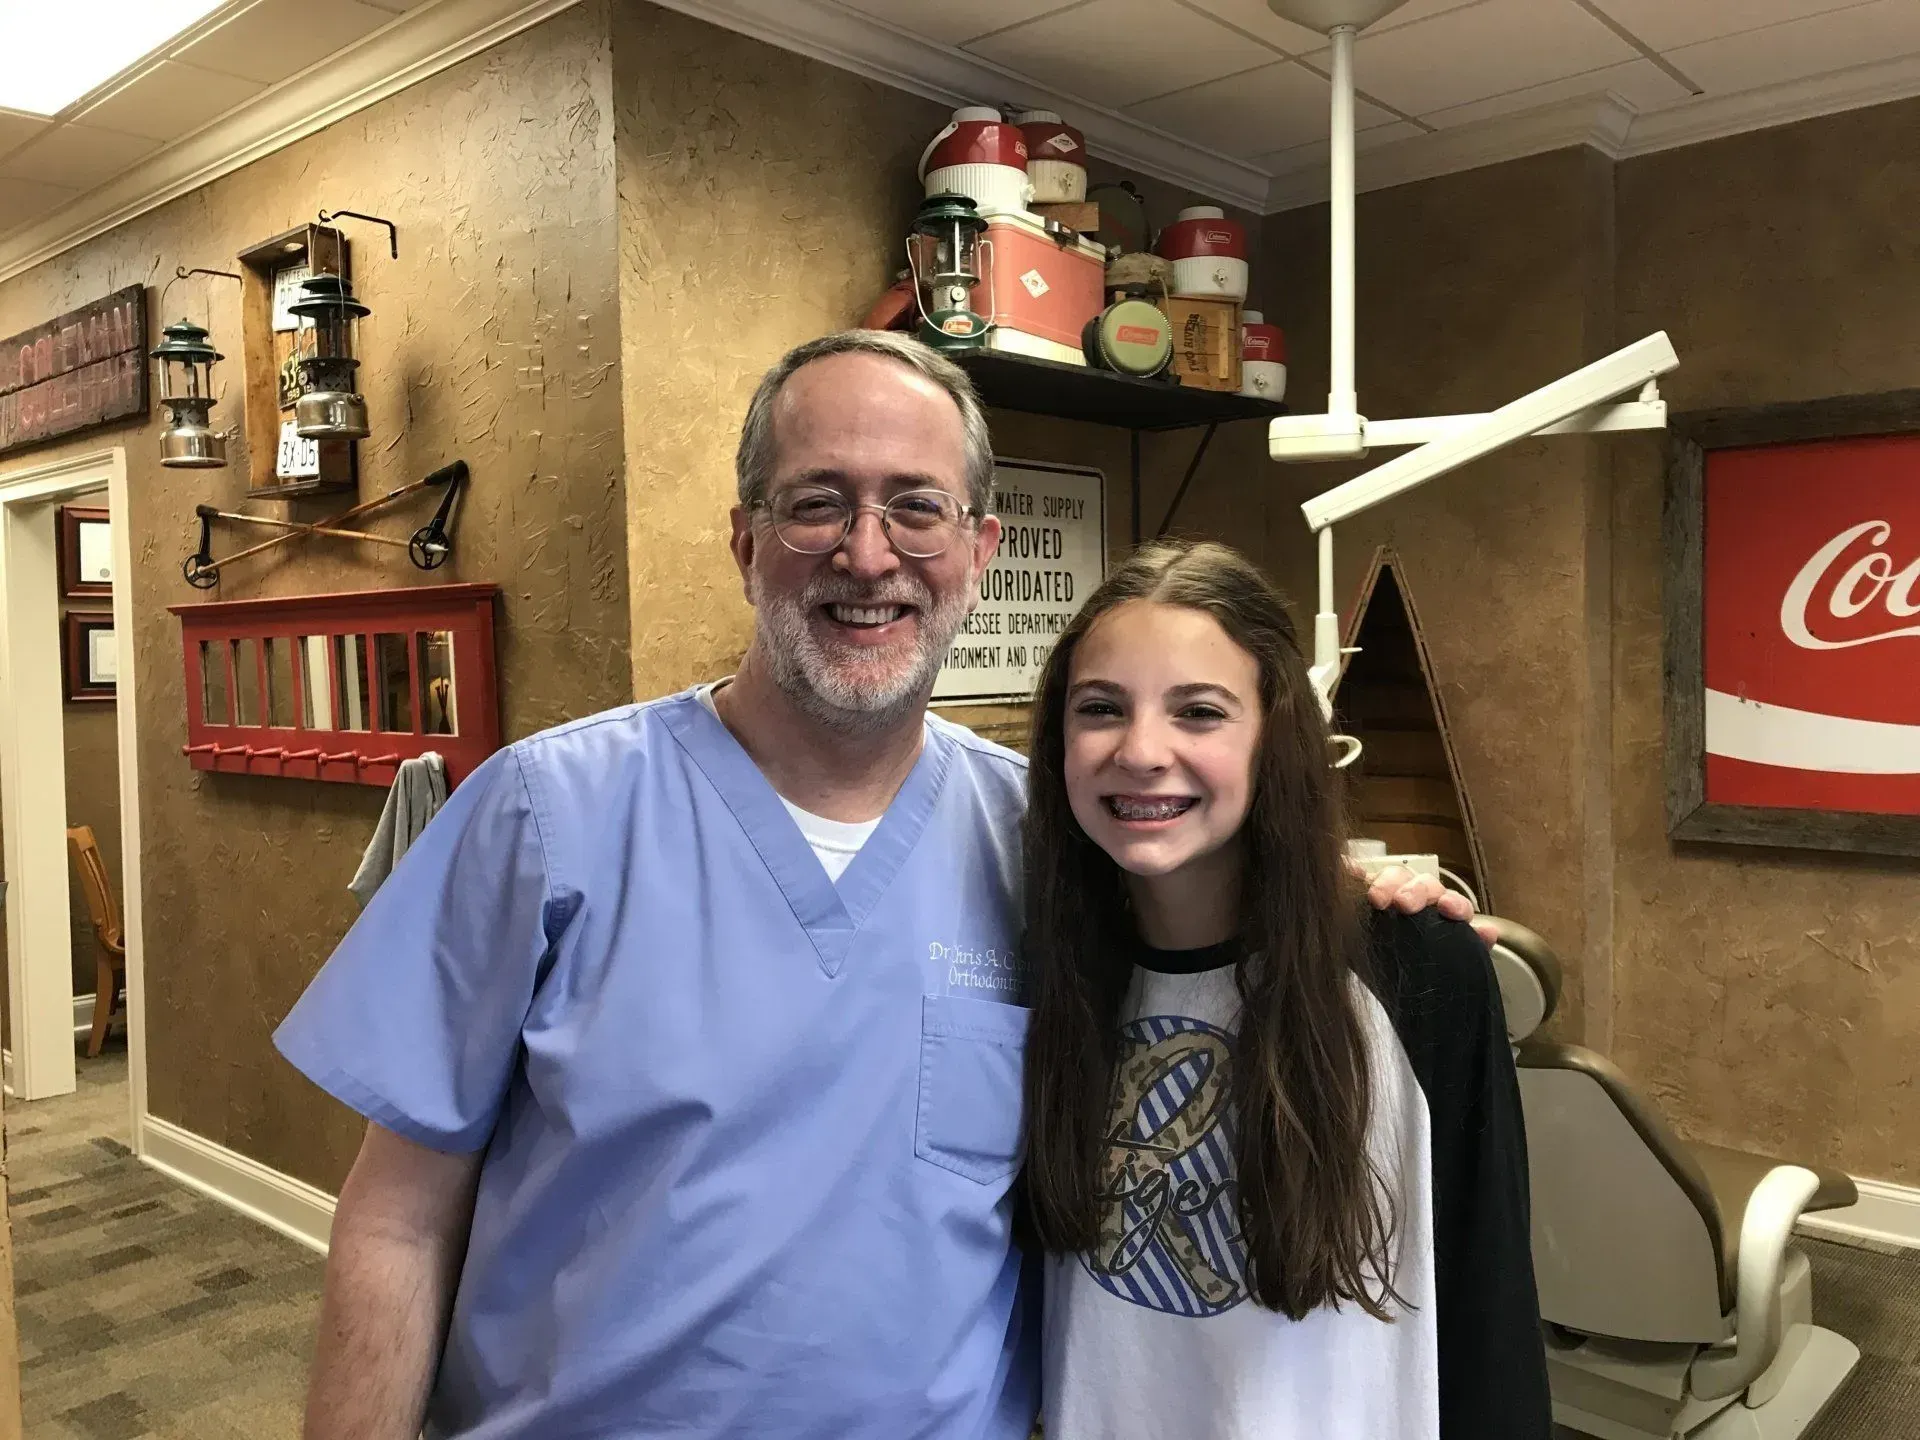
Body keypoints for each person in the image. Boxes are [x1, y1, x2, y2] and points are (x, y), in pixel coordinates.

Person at [273, 331, 1478, 1440]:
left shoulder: (1044, 846)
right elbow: (396, 1218)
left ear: (977, 548)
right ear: (745, 540)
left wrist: (1351, 904)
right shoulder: (549, 817)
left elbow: (1206, 905)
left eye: (916, 509)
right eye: (817, 505)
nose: (867, 555)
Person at [1021, 539, 1550, 1440]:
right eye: (1101, 708)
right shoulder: (1042, 966)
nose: (1142, 751)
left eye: (1199, 712)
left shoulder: (1418, 970)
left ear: (1276, 735)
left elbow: (1487, 1303)